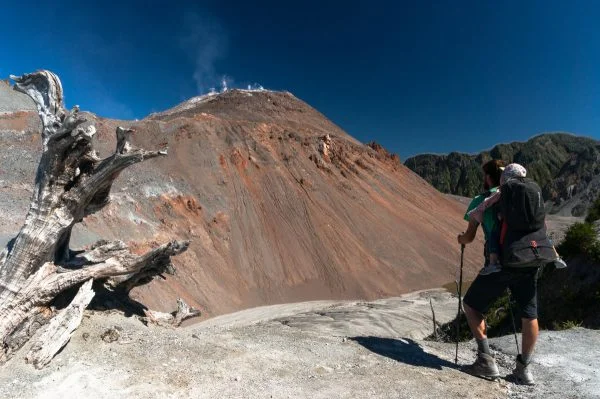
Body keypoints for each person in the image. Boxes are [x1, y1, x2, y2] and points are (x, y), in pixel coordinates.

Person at [458, 160, 539, 385]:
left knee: (473, 305)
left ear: (489, 177)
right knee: (529, 313)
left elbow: (469, 236)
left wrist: (460, 240)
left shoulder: (482, 201)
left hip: (501, 263)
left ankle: (485, 360)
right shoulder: (528, 195)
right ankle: (524, 369)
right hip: (530, 260)